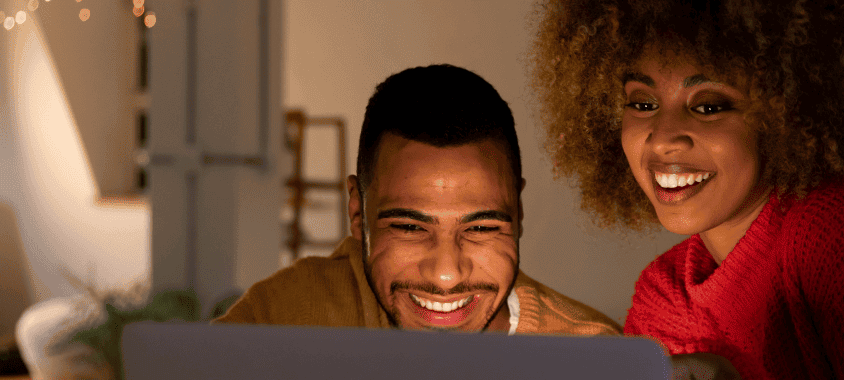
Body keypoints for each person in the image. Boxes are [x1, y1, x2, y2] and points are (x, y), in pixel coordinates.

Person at [529, 0, 844, 378]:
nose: (662, 138)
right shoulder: (665, 297)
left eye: (709, 105)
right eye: (641, 103)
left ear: (792, 114)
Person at [216, 64, 620, 336]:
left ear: (519, 211)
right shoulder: (286, 316)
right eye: (410, 227)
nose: (446, 276)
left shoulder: (596, 357)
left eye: (480, 228)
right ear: (357, 212)